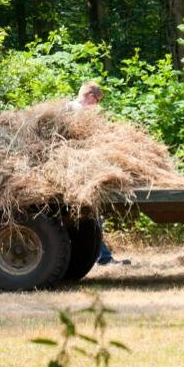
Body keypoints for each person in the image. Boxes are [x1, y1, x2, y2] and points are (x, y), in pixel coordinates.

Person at [70, 81, 115, 265]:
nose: (96, 106)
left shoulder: (70, 108)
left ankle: (102, 255)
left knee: (94, 215)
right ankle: (103, 256)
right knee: (93, 215)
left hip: (78, 169)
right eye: (96, 101)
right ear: (89, 97)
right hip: (78, 170)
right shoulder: (76, 112)